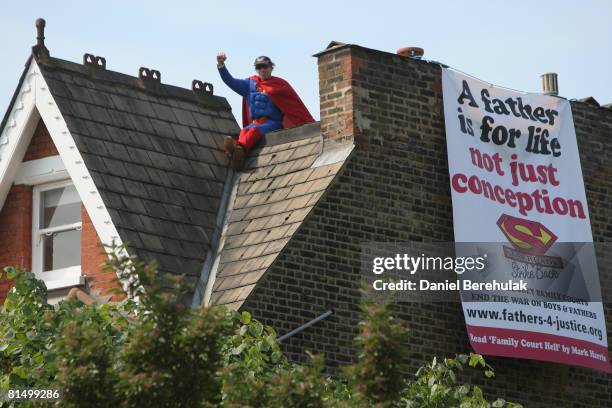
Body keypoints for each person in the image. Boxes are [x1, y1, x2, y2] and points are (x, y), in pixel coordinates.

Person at [217, 52, 315, 169]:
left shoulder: (280, 85)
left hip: (273, 123)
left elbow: (294, 105)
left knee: (254, 131)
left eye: (265, 66)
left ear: (271, 68)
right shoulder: (249, 84)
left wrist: (311, 125)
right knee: (244, 131)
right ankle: (237, 153)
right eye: (259, 67)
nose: (262, 69)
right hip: (256, 122)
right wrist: (221, 65)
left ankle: (239, 150)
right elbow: (230, 81)